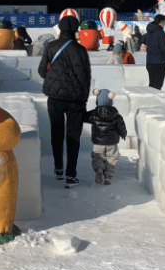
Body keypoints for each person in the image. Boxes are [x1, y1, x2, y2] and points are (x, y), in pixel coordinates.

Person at [38, 15, 92, 188]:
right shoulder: (80, 50)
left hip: (55, 98)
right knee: (73, 137)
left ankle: (58, 168)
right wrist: (83, 98)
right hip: (76, 100)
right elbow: (86, 77)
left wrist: (53, 81)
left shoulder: (51, 46)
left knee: (56, 133)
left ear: (60, 28)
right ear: (76, 29)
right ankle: (71, 175)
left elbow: (41, 70)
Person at [86, 88, 128, 185]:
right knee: (111, 158)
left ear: (97, 100)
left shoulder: (93, 113)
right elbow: (121, 127)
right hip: (111, 142)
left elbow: (84, 116)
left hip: (98, 143)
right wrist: (123, 134)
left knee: (97, 156)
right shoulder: (116, 115)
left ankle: (99, 169)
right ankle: (108, 177)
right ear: (111, 100)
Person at [145, 14, 165, 90]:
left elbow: (143, 40)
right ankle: (155, 101)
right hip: (158, 62)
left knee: (152, 85)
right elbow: (163, 48)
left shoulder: (149, 31)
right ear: (162, 21)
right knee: (157, 86)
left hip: (149, 61)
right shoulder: (160, 32)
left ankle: (150, 101)